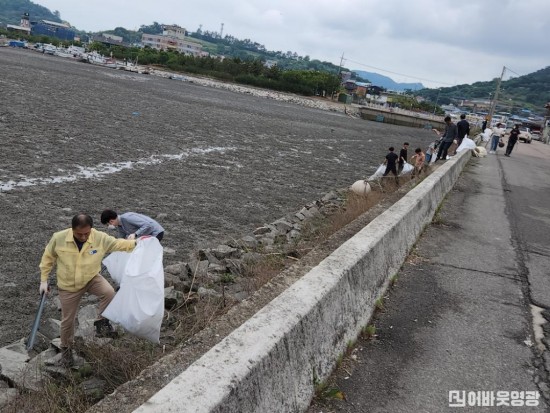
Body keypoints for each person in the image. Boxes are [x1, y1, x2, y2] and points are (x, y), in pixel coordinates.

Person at [39, 214, 137, 366]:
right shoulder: (58, 238)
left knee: (109, 293)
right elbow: (48, 258)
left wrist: (136, 243)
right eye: (79, 234)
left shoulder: (99, 237)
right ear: (72, 230)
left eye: (87, 233)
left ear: (91, 229)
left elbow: (118, 244)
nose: (84, 236)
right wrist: (44, 280)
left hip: (91, 278)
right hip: (68, 285)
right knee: (67, 321)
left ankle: (101, 323)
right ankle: (66, 351)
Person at [100, 210, 165, 242]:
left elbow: (147, 225)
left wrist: (135, 234)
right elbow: (121, 238)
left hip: (156, 233)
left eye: (108, 224)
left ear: (111, 221)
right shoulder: (120, 225)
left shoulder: (127, 218)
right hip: (147, 235)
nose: (109, 226)